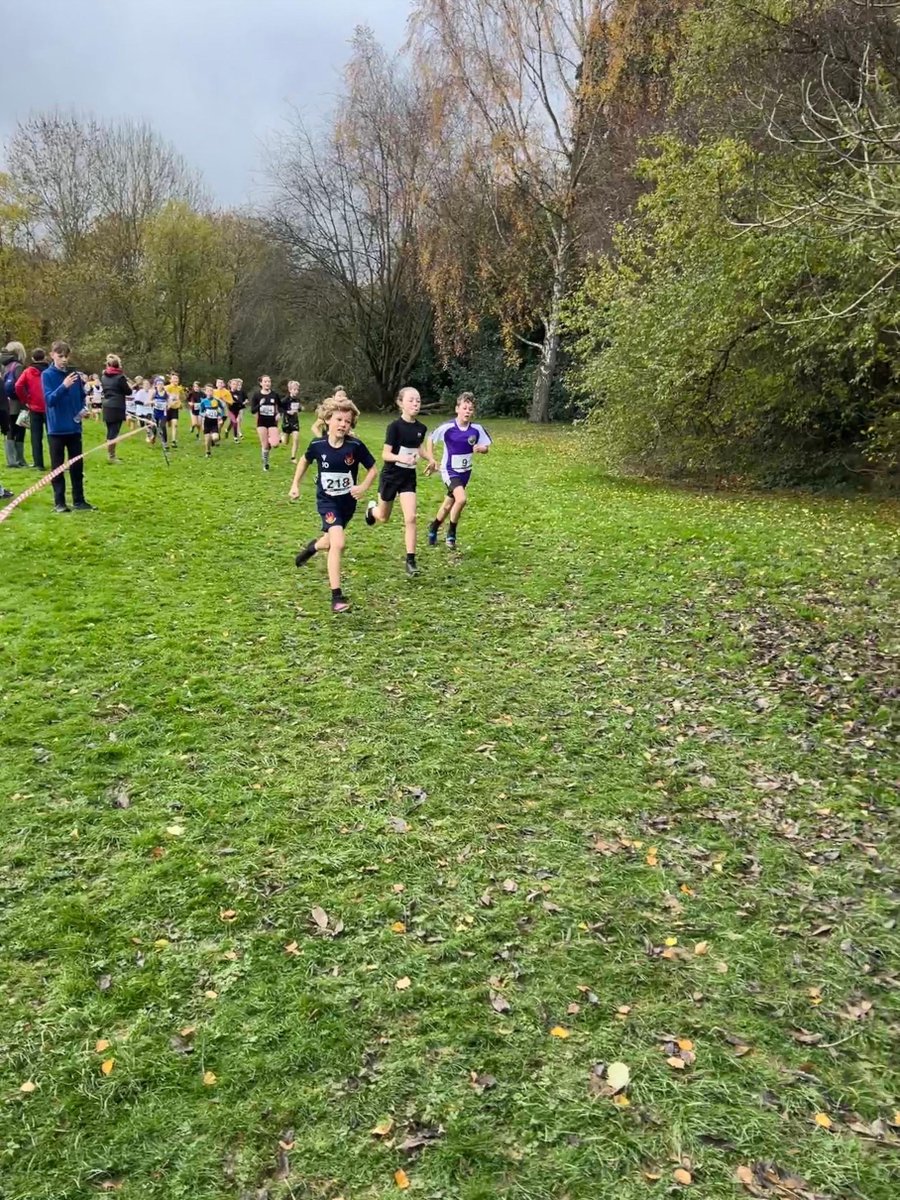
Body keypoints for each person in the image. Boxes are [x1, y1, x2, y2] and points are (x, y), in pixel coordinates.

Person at [288, 394, 377, 613]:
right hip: (327, 502)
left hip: (347, 504)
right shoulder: (318, 445)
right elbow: (304, 460)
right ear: (327, 419)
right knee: (338, 543)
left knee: (329, 541)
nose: (343, 424)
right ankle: (336, 596)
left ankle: (312, 548)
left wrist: (363, 487)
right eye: (339, 419)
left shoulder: (355, 446)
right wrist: (295, 485)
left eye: (347, 422)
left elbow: (373, 469)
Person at [365, 386, 436, 577]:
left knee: (411, 517)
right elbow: (385, 454)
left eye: (418, 400)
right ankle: (371, 510)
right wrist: (401, 458)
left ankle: (411, 560)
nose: (415, 403)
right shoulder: (394, 427)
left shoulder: (421, 428)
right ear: (400, 403)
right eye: (411, 400)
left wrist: (430, 459)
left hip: (408, 477)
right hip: (391, 476)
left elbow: (419, 447)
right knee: (383, 517)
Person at [426, 392, 492, 549]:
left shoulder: (476, 429)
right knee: (461, 499)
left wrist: (481, 448)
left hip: (465, 473)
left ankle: (434, 527)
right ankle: (451, 534)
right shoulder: (448, 427)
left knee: (449, 504)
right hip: (449, 470)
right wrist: (431, 459)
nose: (467, 411)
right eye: (464, 408)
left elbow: (486, 448)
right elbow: (431, 438)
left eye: (470, 409)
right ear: (457, 409)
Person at [42, 340, 96, 512]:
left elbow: (81, 397)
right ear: (52, 355)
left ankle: (79, 500)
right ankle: (59, 502)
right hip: (56, 429)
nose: (64, 360)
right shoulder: (47, 375)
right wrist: (63, 386)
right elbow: (50, 400)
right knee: (58, 467)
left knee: (77, 466)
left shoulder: (76, 376)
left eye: (66, 356)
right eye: (60, 356)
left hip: (74, 427)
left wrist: (83, 410)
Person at [15, 348, 50, 471]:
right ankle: (56, 460)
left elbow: (18, 385)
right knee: (52, 435)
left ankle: (38, 463)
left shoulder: (28, 371)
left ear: (33, 358)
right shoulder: (50, 370)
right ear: (45, 357)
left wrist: (26, 399)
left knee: (36, 436)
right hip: (50, 406)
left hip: (34, 407)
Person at [100, 353, 132, 464]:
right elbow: (128, 391)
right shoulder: (120, 377)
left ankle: (110, 454)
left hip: (107, 406)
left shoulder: (103, 376)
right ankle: (111, 457)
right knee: (114, 433)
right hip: (117, 407)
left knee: (110, 431)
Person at [3, 342, 28, 468]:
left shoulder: (4, 366)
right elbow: (20, 385)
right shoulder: (18, 366)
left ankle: (11, 459)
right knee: (19, 430)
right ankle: (18, 459)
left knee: (9, 430)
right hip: (17, 403)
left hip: (5, 403)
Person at [251, 374, 281, 471]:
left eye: (269, 381)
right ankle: (265, 463)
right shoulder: (257, 395)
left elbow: (280, 406)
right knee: (265, 445)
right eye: (265, 381)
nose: (267, 383)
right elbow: (252, 410)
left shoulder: (274, 395)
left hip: (272, 422)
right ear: (261, 383)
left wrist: (279, 413)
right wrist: (260, 405)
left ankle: (271, 440)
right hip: (261, 422)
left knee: (275, 444)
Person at [198, 384, 226, 457]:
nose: (210, 392)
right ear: (205, 392)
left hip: (214, 422)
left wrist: (220, 416)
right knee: (207, 439)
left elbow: (222, 409)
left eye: (211, 390)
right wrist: (204, 414)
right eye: (208, 391)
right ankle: (208, 452)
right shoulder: (203, 401)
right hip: (206, 422)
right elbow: (200, 411)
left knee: (216, 438)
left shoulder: (216, 400)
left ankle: (213, 442)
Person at [280, 380, 303, 463]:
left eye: (297, 390)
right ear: (290, 390)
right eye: (294, 389)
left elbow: (298, 408)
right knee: (285, 442)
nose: (296, 391)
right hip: (286, 421)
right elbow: (280, 408)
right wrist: (287, 412)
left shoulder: (297, 399)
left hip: (295, 421)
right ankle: (281, 437)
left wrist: (300, 409)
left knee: (296, 438)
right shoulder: (285, 400)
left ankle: (293, 457)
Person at [148, 377, 170, 446]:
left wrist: (168, 405)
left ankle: (165, 443)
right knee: (154, 426)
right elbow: (148, 401)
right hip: (155, 413)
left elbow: (170, 402)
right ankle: (153, 437)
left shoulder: (166, 393)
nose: (160, 386)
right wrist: (153, 402)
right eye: (158, 384)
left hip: (163, 413)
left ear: (163, 385)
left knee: (162, 426)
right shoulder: (154, 393)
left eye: (161, 384)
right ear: (156, 385)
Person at [166, 372, 184, 446]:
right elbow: (165, 397)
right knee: (167, 424)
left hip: (175, 409)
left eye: (177, 378)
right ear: (170, 380)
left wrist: (180, 403)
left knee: (175, 424)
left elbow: (182, 397)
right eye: (174, 378)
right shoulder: (167, 387)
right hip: (167, 408)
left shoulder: (180, 388)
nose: (176, 380)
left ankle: (173, 440)